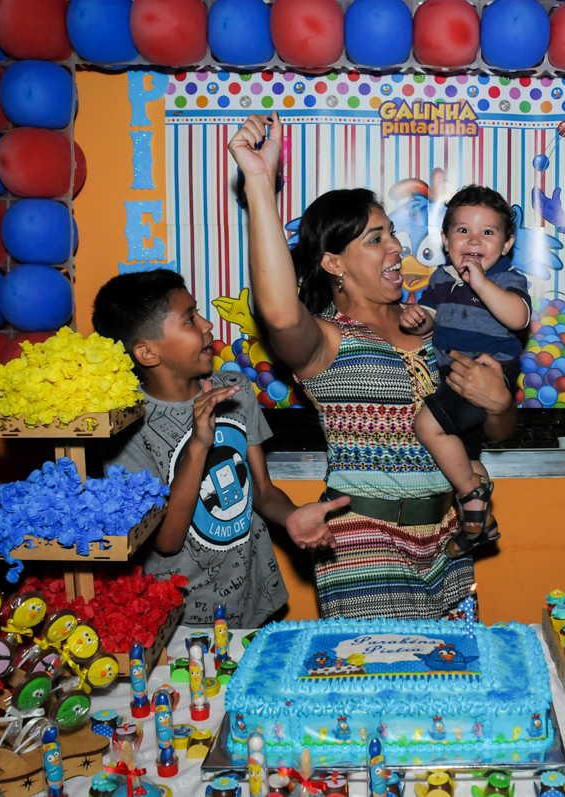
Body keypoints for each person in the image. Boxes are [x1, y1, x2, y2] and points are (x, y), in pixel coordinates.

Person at [228, 113, 519, 620]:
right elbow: (276, 310)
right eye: (376, 239)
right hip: (364, 550)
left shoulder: (438, 326)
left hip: (448, 547)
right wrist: (259, 184)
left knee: (448, 696)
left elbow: (495, 428)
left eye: (392, 234)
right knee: (378, 692)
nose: (397, 248)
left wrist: (500, 404)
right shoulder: (326, 338)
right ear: (334, 263)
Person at [94, 270, 347, 627]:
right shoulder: (128, 426)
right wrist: (198, 444)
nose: (207, 324)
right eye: (189, 319)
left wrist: (290, 515)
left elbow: (261, 489)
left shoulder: (235, 388)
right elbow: (166, 541)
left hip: (253, 596)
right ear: (147, 353)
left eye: (198, 312)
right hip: (182, 615)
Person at [399, 185, 531, 558]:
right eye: (462, 231)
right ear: (445, 239)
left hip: (488, 374)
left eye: (488, 233)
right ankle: (482, 524)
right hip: (452, 377)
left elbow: (518, 317)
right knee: (470, 458)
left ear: (506, 245)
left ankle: (469, 498)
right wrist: (418, 318)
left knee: (427, 426)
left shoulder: (506, 278)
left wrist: (482, 283)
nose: (474, 239)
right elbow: (432, 321)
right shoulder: (441, 278)